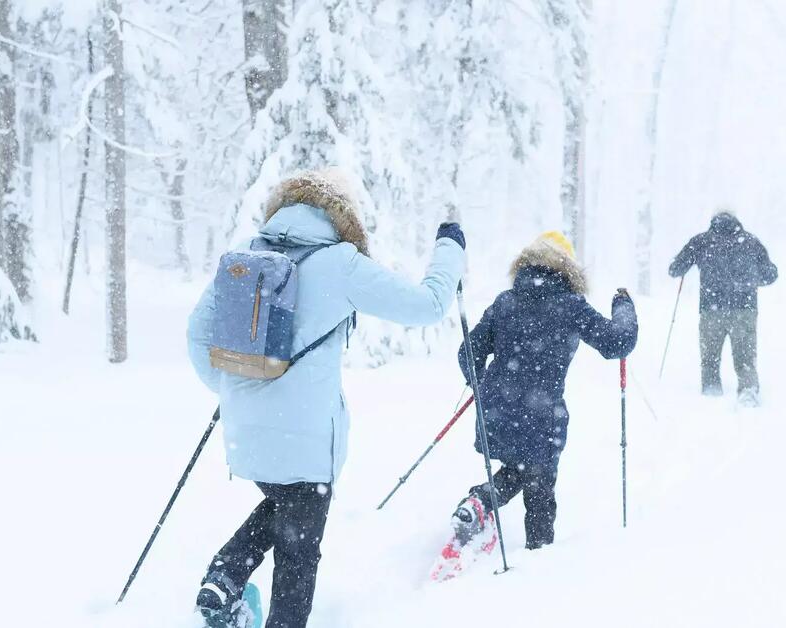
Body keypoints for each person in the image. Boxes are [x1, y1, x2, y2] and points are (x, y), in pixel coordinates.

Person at [186, 169, 467, 628]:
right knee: (299, 553)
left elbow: (198, 336)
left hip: (245, 438)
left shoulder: (245, 255)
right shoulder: (341, 263)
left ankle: (223, 578)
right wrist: (451, 249)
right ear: (343, 213)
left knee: (284, 506)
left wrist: (236, 391)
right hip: (306, 444)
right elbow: (428, 305)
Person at [447, 232, 637, 552]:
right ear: (568, 268)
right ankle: (540, 555)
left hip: (496, 409)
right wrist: (624, 306)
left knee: (519, 470)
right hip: (540, 415)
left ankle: (479, 503)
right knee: (538, 487)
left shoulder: (505, 302)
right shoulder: (570, 305)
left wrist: (481, 385)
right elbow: (618, 342)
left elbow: (469, 352)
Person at [669, 210, 778, 406]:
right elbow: (771, 274)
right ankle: (748, 393)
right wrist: (749, 282)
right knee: (745, 357)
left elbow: (675, 269)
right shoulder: (751, 242)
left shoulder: (701, 242)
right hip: (744, 309)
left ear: (714, 221)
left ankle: (711, 396)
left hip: (712, 310)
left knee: (710, 359)